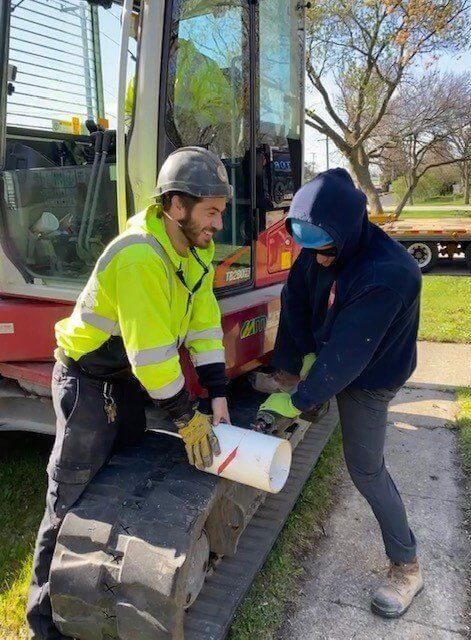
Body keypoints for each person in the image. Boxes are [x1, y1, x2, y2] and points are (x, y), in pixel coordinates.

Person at [27, 146, 231, 639]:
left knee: (120, 477)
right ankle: (43, 623)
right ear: (176, 205)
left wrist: (219, 398)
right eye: (212, 212)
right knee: (70, 494)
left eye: (221, 213)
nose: (218, 225)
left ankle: (94, 594)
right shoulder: (141, 254)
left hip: (124, 382)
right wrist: (188, 417)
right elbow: (155, 362)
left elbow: (204, 327)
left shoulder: (195, 251)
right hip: (88, 381)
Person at [256, 168, 423, 619]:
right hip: (338, 345)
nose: (316, 259)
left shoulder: (388, 275)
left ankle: (406, 565)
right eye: (307, 249)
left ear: (346, 234)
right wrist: (288, 373)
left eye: (324, 251)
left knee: (365, 469)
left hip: (375, 372)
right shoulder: (318, 247)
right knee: (307, 386)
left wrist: (300, 398)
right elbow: (293, 307)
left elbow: (349, 359)